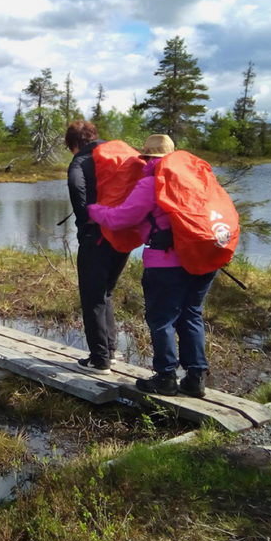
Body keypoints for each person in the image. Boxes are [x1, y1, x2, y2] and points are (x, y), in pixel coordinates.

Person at [88, 134, 216, 397]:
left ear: (148, 159)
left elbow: (122, 218)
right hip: (203, 258)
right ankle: (196, 377)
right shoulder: (194, 178)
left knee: (162, 319)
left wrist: (93, 211)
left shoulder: (154, 181)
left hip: (166, 262)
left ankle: (166, 377)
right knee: (191, 315)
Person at [65, 120, 129, 374]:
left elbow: (74, 184)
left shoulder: (81, 159)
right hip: (124, 235)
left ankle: (99, 359)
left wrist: (84, 218)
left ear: (75, 143)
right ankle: (110, 352)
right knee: (106, 293)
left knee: (92, 298)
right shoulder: (118, 153)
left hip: (97, 236)